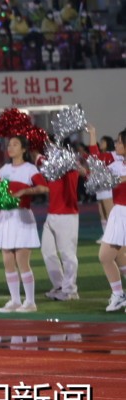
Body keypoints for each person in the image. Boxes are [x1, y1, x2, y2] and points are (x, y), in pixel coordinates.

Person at [0, 135, 48, 313]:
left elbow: (44, 187)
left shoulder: (30, 169)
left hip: (22, 217)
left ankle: (30, 302)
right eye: (9, 144)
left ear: (24, 149)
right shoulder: (3, 170)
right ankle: (15, 300)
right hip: (5, 218)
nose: (11, 147)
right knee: (8, 261)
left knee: (22, 261)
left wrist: (25, 190)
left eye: (15, 144)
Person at [88, 127, 126, 311]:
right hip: (118, 213)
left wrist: (121, 179)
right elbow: (95, 165)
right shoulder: (116, 165)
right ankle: (119, 295)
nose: (117, 144)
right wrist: (93, 136)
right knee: (105, 256)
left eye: (119, 141)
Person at [38, 143, 82, 301]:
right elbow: (39, 160)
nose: (50, 154)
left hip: (67, 216)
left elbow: (79, 168)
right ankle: (59, 286)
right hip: (52, 214)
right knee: (47, 251)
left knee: (68, 254)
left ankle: (70, 290)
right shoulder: (51, 168)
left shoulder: (70, 168)